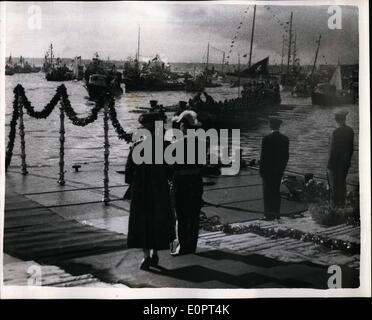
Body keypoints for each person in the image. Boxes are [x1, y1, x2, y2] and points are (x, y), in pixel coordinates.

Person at [125, 112, 175, 270]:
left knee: (142, 222)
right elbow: (170, 170)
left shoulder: (138, 146)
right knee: (159, 220)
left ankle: (146, 256)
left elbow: (128, 171)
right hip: (159, 189)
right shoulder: (166, 146)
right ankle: (155, 254)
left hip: (141, 190)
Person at [170, 110, 204, 256]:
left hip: (181, 183)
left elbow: (170, 168)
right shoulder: (201, 143)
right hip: (196, 183)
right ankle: (192, 246)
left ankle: (183, 247)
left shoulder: (176, 144)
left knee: (182, 216)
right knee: (194, 216)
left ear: (183, 126)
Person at [259, 117, 289, 220]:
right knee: (276, 192)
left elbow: (263, 157)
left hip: (268, 171)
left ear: (270, 125)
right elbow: (286, 157)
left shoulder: (266, 139)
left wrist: (262, 172)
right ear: (279, 126)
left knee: (267, 193)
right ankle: (277, 214)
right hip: (278, 171)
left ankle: (268, 215)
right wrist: (281, 169)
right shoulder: (285, 139)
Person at [327, 110, 354, 207]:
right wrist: (348, 161)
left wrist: (329, 167)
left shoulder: (335, 132)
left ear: (336, 119)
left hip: (334, 164)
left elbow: (333, 151)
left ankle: (335, 209)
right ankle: (342, 206)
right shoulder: (350, 131)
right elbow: (351, 148)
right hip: (345, 164)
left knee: (334, 187)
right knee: (342, 185)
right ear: (345, 119)